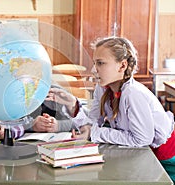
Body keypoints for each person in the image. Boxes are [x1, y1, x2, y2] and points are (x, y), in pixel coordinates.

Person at [47, 36, 175, 182]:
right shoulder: (102, 89)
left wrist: (94, 132)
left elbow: (142, 139)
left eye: (100, 63)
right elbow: (92, 123)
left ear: (122, 66)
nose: (94, 69)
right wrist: (72, 105)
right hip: (146, 155)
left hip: (168, 160)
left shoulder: (133, 93)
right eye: (95, 63)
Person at [0, 84, 86, 139]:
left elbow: (82, 121)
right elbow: (2, 124)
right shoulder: (8, 97)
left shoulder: (54, 93)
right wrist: (32, 125)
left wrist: (57, 125)